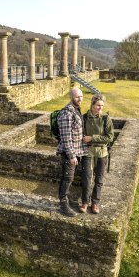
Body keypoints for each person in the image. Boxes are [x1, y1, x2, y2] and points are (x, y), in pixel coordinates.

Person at [79, 94, 114, 214]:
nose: (100, 108)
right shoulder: (84, 118)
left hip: (102, 152)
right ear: (92, 104)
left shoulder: (105, 118)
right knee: (87, 178)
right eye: (98, 105)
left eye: (102, 106)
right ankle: (85, 202)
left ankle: (95, 203)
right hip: (88, 152)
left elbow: (110, 137)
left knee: (99, 179)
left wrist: (92, 138)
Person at [56, 87, 87, 217]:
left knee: (70, 177)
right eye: (76, 97)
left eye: (81, 96)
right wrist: (71, 155)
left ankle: (67, 199)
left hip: (77, 151)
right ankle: (63, 204)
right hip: (69, 153)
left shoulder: (76, 110)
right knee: (67, 178)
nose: (79, 99)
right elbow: (66, 137)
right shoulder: (66, 114)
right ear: (71, 97)